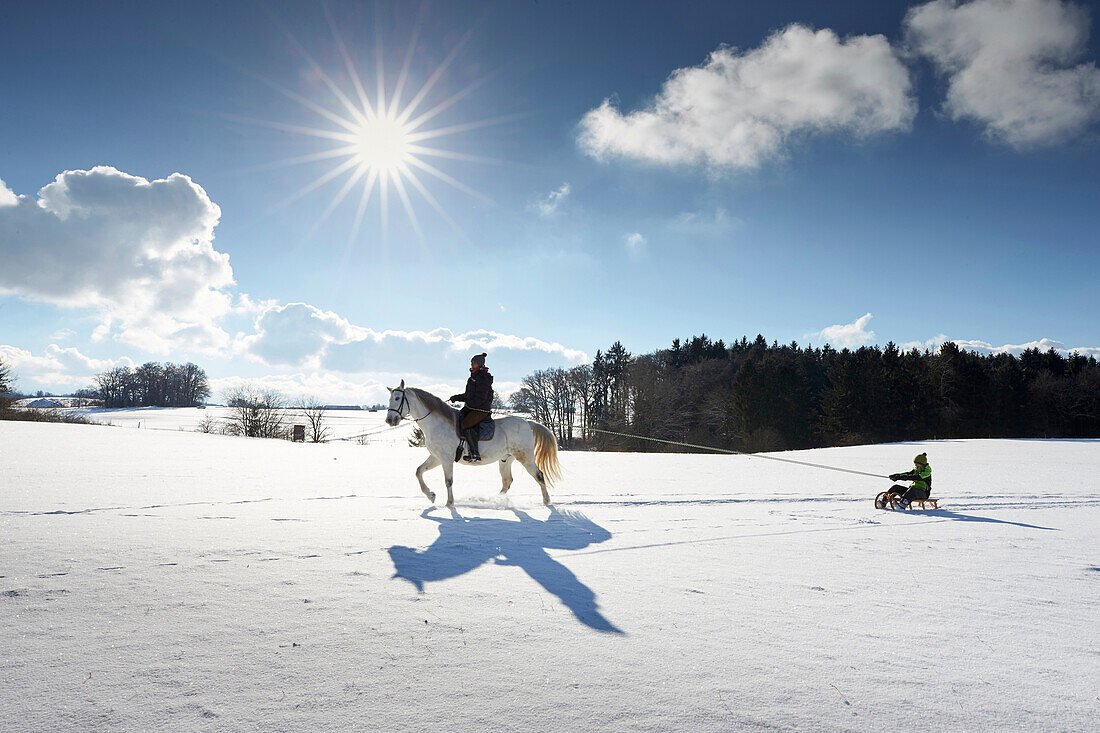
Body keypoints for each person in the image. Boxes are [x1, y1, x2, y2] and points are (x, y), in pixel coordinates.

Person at [449, 353, 493, 462]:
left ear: (478, 364)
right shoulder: (473, 377)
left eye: (473, 362)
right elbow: (469, 396)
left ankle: (475, 453)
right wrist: (456, 397)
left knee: (466, 423)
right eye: (471, 362)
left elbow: (481, 397)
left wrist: (470, 403)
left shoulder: (483, 378)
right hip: (472, 408)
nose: (471, 364)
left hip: (481, 409)